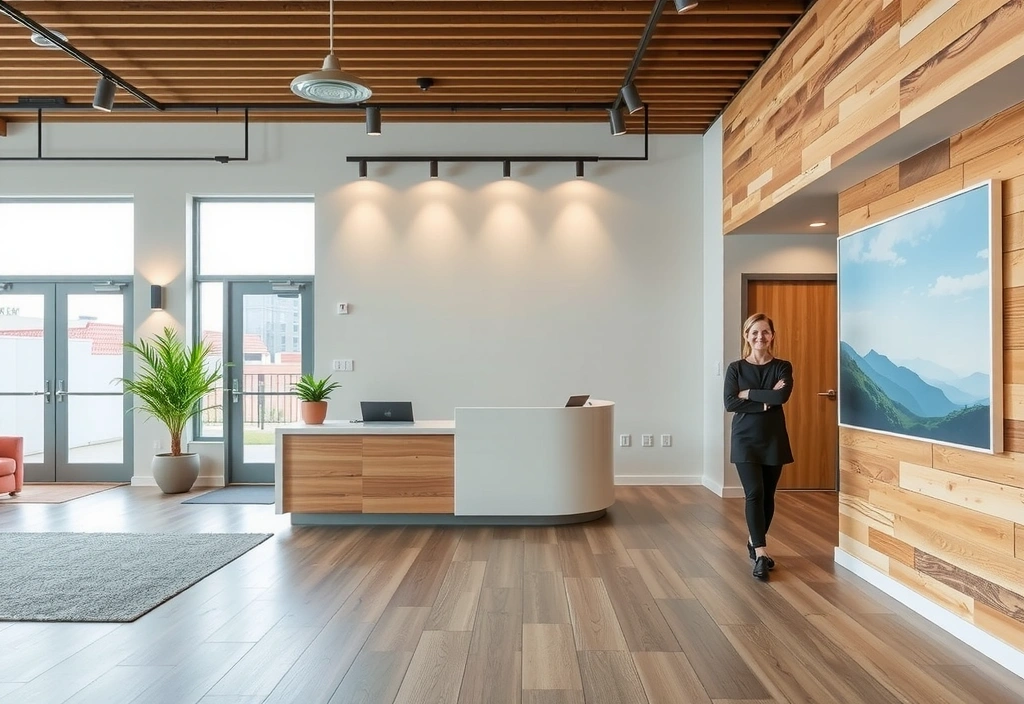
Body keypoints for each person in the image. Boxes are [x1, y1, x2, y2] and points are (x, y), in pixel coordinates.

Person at [723, 312, 794, 581]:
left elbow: (782, 396)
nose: (759, 337)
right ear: (746, 336)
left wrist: (749, 394)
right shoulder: (736, 368)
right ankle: (761, 553)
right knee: (754, 493)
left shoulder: (783, 367)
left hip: (773, 437)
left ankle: (754, 540)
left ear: (772, 335)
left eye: (764, 332)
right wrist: (766, 402)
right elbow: (730, 403)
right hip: (745, 439)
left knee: (768, 496)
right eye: (754, 332)